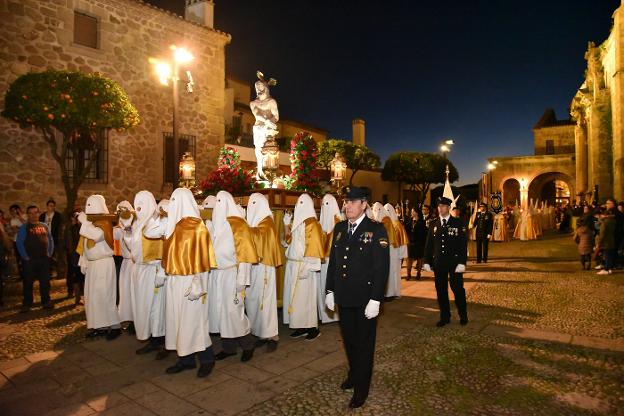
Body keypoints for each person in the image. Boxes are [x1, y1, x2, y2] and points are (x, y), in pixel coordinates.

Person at [325, 186, 390, 409]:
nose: (347, 205)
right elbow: (333, 262)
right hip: (344, 296)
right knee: (350, 342)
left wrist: (376, 299)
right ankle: (354, 375)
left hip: (365, 300)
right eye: (346, 201)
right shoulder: (340, 228)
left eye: (352, 202)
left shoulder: (376, 230)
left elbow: (381, 268)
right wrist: (330, 290)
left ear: (364, 205)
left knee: (364, 345)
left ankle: (362, 388)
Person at [162, 188, 217, 378]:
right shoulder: (174, 225)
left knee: (195, 323)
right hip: (175, 280)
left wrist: (198, 284)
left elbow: (202, 258)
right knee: (178, 322)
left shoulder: (197, 226)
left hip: (191, 282)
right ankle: (185, 359)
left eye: (176, 200)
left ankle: (207, 359)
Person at [208, 191, 259, 362]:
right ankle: (228, 347)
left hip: (232, 273)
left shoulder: (238, 225)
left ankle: (248, 344)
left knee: (233, 311)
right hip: (217, 274)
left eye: (222, 201)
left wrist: (242, 280)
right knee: (221, 311)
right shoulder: (216, 223)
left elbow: (245, 256)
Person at [129, 191, 168, 358]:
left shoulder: (155, 222)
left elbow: (163, 247)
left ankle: (160, 340)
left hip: (153, 270)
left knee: (156, 307)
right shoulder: (139, 223)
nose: (138, 207)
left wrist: (161, 270)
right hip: (139, 269)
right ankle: (151, 337)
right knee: (144, 306)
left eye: (141, 203)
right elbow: (134, 247)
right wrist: (126, 231)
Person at [77, 195, 121, 340]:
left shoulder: (104, 223)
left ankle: (115, 326)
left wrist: (85, 223)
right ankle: (100, 326)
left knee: (105, 296)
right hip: (93, 264)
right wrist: (84, 261)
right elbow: (85, 244)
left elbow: (95, 236)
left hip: (103, 263)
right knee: (93, 298)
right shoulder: (91, 223)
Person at [282, 193, 324, 341]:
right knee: (295, 299)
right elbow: (288, 242)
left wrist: (309, 265)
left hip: (304, 265)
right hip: (293, 264)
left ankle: (313, 328)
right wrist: (286, 225)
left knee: (306, 298)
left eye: (301, 203)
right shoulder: (297, 222)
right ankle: (301, 326)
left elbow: (315, 245)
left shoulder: (312, 223)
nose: (297, 206)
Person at [246, 192, 283, 352]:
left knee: (265, 303)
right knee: (253, 301)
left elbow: (257, 238)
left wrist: (242, 228)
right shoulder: (257, 222)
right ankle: (260, 333)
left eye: (254, 204)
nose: (250, 207)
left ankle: (272, 335)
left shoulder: (267, 223)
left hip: (264, 268)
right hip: (254, 266)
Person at [424, 196, 468, 327]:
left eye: (443, 206)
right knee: (441, 291)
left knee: (458, 290)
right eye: (438, 206)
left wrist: (462, 262)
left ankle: (463, 315)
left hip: (454, 263)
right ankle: (445, 316)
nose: (440, 208)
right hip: (439, 263)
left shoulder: (458, 223)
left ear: (449, 207)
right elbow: (429, 245)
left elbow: (462, 245)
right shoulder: (434, 224)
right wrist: (427, 261)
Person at [16, 205, 54, 312]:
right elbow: (19, 243)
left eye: (35, 212)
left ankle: (46, 301)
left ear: (38, 213)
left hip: (44, 259)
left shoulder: (44, 226)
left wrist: (50, 253)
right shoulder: (24, 227)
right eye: (30, 213)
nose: (33, 215)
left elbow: (50, 240)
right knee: (28, 282)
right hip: (29, 260)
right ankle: (27, 303)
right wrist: (25, 256)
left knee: (45, 282)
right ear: (28, 215)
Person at [318, 194, 341, 324]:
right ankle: (325, 315)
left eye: (327, 204)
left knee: (334, 287)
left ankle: (336, 315)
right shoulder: (320, 223)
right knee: (323, 287)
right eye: (323, 205)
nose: (324, 207)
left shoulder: (338, 222)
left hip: (334, 261)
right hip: (322, 261)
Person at [113, 201, 135, 332]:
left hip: (134, 263)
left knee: (133, 293)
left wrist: (126, 226)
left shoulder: (134, 225)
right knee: (126, 293)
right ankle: (129, 318)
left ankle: (136, 321)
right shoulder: (119, 226)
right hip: (126, 263)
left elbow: (131, 237)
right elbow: (116, 236)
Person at [371, 202, 401, 298]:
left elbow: (386, 237)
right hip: (379, 250)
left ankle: (390, 293)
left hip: (389, 249)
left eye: (378, 210)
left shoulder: (386, 220)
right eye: (374, 210)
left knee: (389, 271)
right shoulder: (376, 220)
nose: (376, 212)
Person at [64, 211, 85, 306]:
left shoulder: (81, 227)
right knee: (75, 276)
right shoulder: (69, 228)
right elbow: (69, 243)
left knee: (82, 275)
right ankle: (77, 297)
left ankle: (84, 296)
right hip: (74, 255)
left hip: (82, 254)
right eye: (76, 216)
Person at [39, 199, 61, 278]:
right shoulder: (42, 216)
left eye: (52, 206)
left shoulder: (58, 216)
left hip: (54, 239)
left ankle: (53, 272)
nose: (51, 208)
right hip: (44, 239)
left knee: (53, 255)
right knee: (45, 256)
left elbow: (59, 228)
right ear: (47, 206)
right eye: (49, 206)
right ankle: (46, 271)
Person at [405, 208, 427, 280]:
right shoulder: (409, 221)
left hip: (419, 243)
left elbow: (424, 233)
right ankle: (408, 274)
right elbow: (406, 229)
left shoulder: (422, 222)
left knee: (419, 259)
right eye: (411, 212)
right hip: (411, 243)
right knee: (409, 259)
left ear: (417, 213)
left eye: (413, 211)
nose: (412, 213)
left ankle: (418, 273)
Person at [596, 207, 616, 275]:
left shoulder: (605, 223)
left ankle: (606, 269)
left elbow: (602, 234)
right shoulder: (613, 221)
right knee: (610, 255)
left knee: (606, 255)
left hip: (605, 241)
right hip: (611, 239)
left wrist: (599, 243)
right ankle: (610, 268)